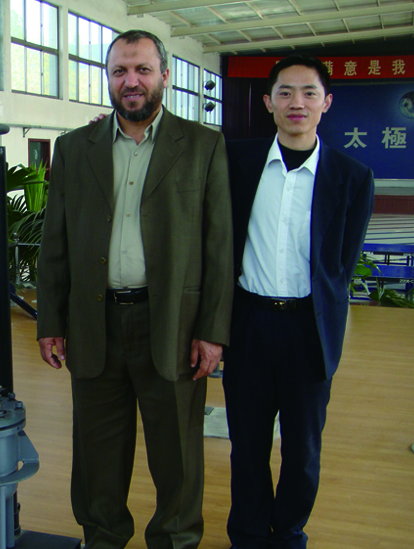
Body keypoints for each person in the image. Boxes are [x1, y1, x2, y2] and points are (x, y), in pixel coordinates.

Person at [36, 29, 233, 549]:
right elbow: (55, 242)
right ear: (108, 77)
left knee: (178, 454)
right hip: (94, 324)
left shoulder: (203, 146)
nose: (131, 81)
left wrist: (213, 331)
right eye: (120, 71)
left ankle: (176, 539)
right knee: (96, 455)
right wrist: (50, 322)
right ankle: (102, 537)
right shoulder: (74, 148)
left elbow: (219, 246)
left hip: (172, 325)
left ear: (164, 75)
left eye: (143, 69)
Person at [223, 55, 374, 549]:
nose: (297, 103)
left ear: (326, 103)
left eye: (309, 93)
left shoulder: (352, 176)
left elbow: (341, 267)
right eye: (285, 92)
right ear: (268, 102)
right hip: (249, 324)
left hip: (309, 330)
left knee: (303, 449)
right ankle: (248, 535)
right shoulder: (236, 160)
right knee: (247, 445)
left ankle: (288, 533)